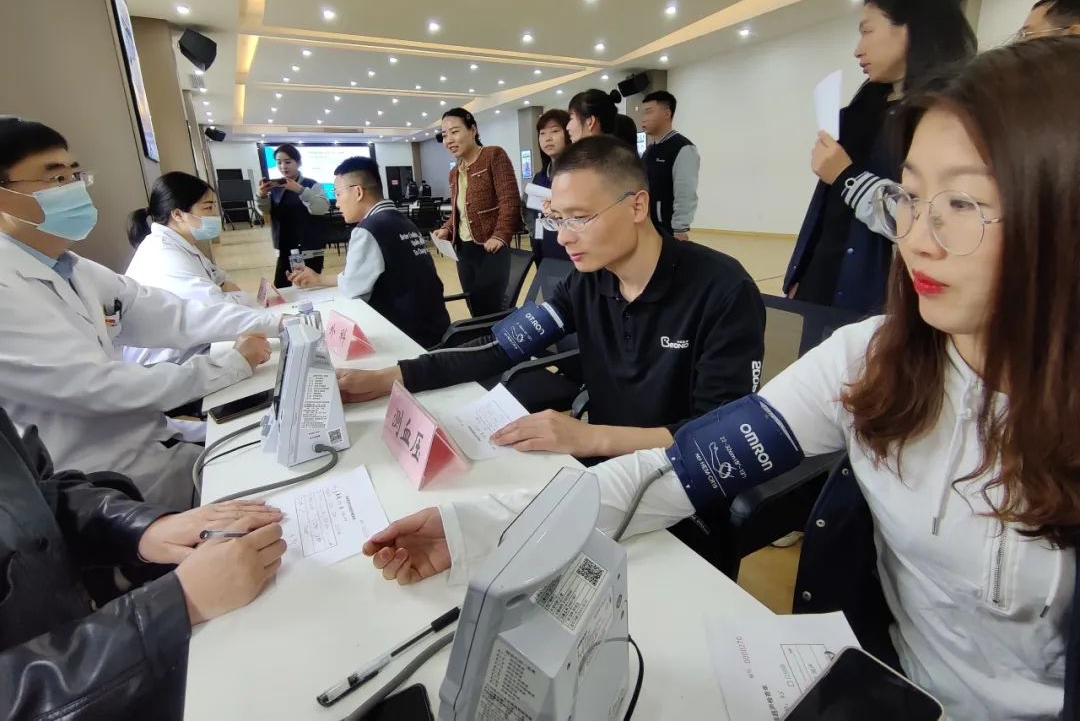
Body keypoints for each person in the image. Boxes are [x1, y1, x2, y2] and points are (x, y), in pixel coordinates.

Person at [361, 38, 1080, 720]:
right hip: (887, 689)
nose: (916, 238)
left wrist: (586, 438)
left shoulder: (718, 287)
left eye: (962, 204)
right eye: (910, 199)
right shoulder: (872, 357)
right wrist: (472, 528)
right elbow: (683, 466)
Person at [338, 136, 764, 460]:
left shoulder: (721, 290)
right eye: (558, 218)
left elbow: (720, 431)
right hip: (601, 461)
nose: (563, 237)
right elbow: (498, 348)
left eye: (580, 218)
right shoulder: (588, 282)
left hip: (681, 475)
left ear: (637, 207)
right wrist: (391, 376)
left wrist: (591, 437)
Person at [0, 118, 279, 510]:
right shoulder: (8, 287)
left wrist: (276, 323)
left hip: (151, 442)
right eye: (57, 179)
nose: (75, 190)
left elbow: (174, 315)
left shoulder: (71, 267)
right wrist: (232, 365)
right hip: (101, 488)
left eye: (75, 176)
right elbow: (99, 386)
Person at [0, 407, 286, 721]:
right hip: (97, 681)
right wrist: (171, 605)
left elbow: (41, 490)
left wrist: (142, 527)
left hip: (110, 653)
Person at [784, 0, 976, 314]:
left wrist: (846, 176)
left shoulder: (947, 116)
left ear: (911, 28)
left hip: (879, 299)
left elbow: (927, 217)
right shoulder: (864, 107)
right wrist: (802, 271)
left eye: (867, 31)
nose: (858, 50)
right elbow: (827, 209)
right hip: (821, 283)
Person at [288, 157, 451, 349]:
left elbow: (352, 288)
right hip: (435, 326)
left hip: (405, 336)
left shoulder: (368, 229)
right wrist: (318, 279)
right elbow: (358, 278)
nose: (337, 204)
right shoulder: (402, 220)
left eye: (338, 194)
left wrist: (320, 280)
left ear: (358, 192)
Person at [124, 171, 259, 366]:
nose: (216, 215)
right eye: (208, 207)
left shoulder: (183, 245)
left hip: (193, 347)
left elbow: (223, 282)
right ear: (178, 214)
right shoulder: (164, 254)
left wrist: (226, 292)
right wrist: (237, 296)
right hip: (167, 364)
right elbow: (221, 310)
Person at [431, 108, 521, 317]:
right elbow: (460, 211)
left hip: (490, 248)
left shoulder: (493, 155)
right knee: (473, 306)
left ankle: (496, 339)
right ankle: (481, 338)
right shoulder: (454, 172)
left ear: (473, 130)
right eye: (444, 135)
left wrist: (500, 235)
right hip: (463, 251)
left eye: (454, 132)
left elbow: (509, 200)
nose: (449, 140)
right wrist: (447, 229)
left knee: (491, 310)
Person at [256, 143, 330, 289]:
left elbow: (321, 208)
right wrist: (262, 195)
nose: (283, 166)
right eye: (279, 162)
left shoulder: (311, 184)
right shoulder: (275, 188)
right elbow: (265, 211)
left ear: (298, 163)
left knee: (310, 287)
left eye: (288, 162)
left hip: (309, 248)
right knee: (282, 286)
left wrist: (300, 190)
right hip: (285, 248)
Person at [641, 90, 700, 240]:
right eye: (643, 113)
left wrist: (680, 229)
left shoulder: (683, 148)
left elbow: (685, 193)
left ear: (667, 114)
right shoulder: (649, 150)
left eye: (649, 112)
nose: (643, 118)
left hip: (668, 230)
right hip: (648, 227)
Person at [526, 109, 572, 264]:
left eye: (555, 131)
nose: (548, 138)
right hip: (544, 251)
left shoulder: (578, 175)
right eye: (542, 133)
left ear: (568, 133)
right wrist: (535, 242)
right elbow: (535, 216)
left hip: (570, 250)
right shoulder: (539, 178)